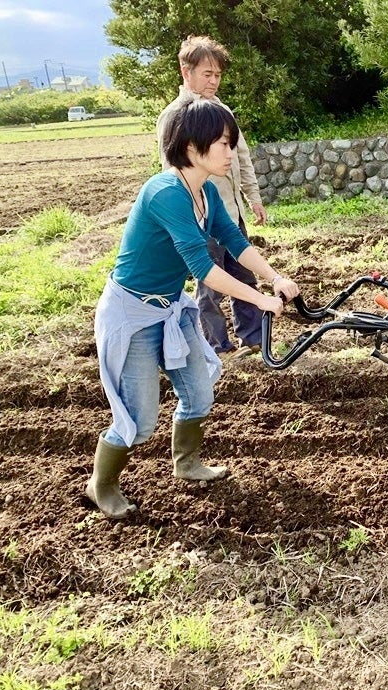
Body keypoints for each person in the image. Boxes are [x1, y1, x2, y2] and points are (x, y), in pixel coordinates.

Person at [87, 99, 300, 519]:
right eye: (222, 142)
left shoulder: (206, 192)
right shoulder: (165, 193)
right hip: (132, 314)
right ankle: (101, 485)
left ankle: (186, 463)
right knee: (139, 419)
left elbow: (235, 242)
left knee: (199, 393)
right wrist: (258, 298)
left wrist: (274, 277)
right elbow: (202, 267)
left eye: (230, 142)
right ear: (190, 146)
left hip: (169, 307)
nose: (229, 151)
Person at [157, 35, 267, 362]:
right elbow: (170, 171)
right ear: (186, 72)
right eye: (207, 74)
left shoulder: (222, 110)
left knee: (244, 275)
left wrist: (253, 196)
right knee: (210, 285)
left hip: (231, 212)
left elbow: (241, 156)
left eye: (218, 75)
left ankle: (253, 339)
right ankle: (216, 345)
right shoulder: (175, 115)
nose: (214, 81)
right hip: (200, 218)